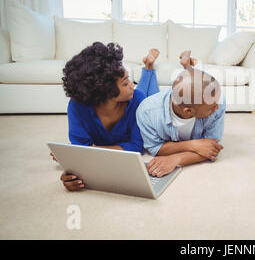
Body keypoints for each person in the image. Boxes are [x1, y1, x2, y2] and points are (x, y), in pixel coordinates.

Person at [54, 42, 194, 191]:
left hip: (147, 107)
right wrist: (73, 170)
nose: (131, 85)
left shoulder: (138, 99)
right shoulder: (77, 106)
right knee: (142, 92)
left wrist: (89, 151)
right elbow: (81, 149)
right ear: (105, 92)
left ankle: (153, 68)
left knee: (151, 96)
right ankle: (148, 67)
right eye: (126, 83)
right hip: (133, 102)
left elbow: (136, 146)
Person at [136, 60, 226, 178]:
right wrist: (193, 145)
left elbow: (211, 149)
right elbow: (154, 148)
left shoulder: (216, 101)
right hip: (156, 107)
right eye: (212, 108)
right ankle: (149, 68)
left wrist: (175, 159)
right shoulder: (146, 112)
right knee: (144, 92)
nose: (217, 107)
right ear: (188, 111)